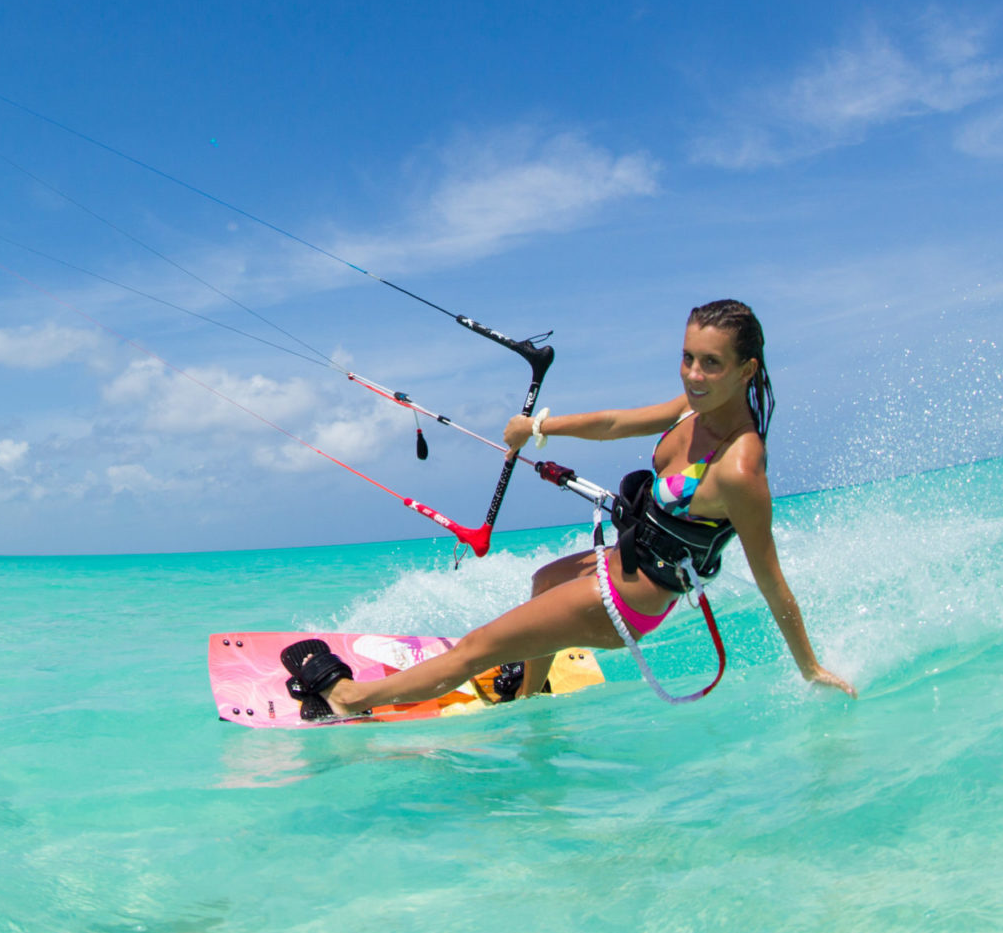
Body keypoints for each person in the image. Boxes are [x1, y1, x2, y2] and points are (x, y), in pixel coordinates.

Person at [280, 299, 854, 717]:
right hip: (619, 564)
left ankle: (349, 699)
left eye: (711, 364)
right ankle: (529, 700)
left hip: (632, 600)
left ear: (746, 369)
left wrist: (809, 667)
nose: (695, 375)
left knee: (477, 647)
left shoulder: (739, 469)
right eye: (688, 358)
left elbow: (771, 580)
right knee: (539, 581)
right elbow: (615, 423)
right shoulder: (694, 409)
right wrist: (540, 428)